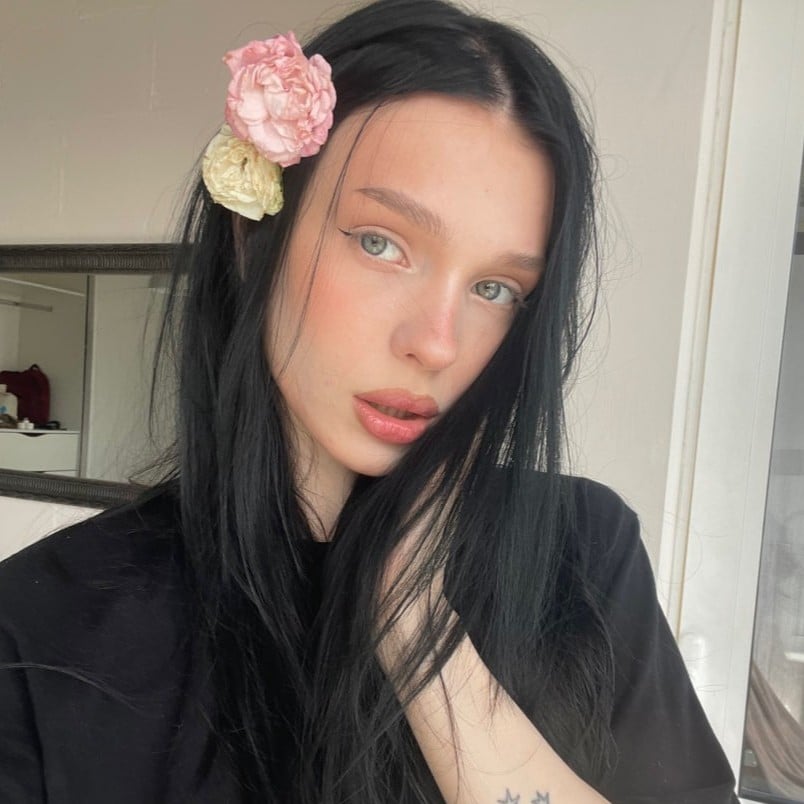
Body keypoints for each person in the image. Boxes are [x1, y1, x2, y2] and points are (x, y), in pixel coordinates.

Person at [0, 0, 739, 801]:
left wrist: (418, 627)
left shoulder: (582, 554)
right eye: (383, 244)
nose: (438, 344)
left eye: (496, 287)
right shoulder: (42, 625)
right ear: (253, 239)